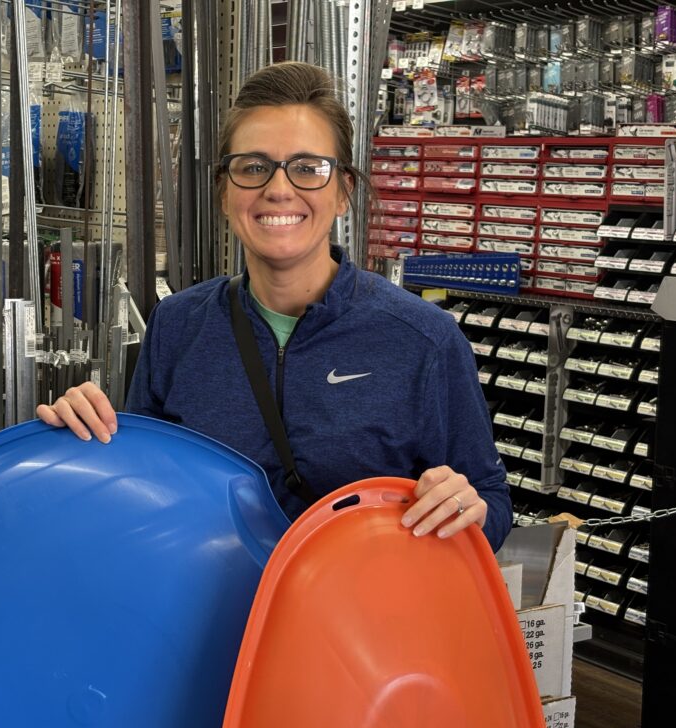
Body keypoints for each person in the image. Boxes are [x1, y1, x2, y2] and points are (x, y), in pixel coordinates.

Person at [37, 61, 511, 551]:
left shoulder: (423, 339)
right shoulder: (177, 324)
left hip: (353, 601)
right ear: (224, 193)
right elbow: (145, 488)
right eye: (253, 167)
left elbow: (491, 503)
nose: (279, 189)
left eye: (308, 168)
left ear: (343, 192)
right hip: (211, 602)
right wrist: (86, 442)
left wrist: (464, 507)